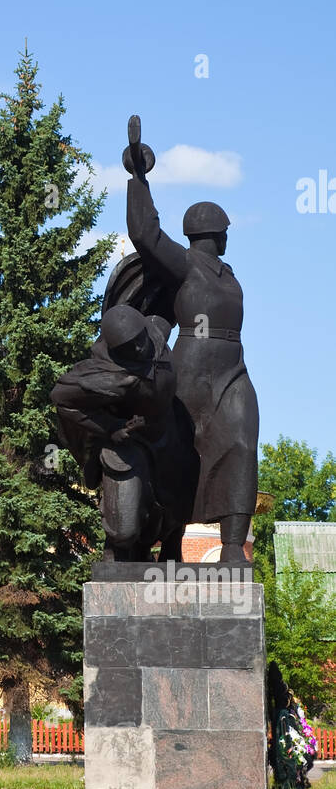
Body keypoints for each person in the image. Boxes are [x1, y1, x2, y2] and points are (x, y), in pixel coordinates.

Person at [125, 117, 259, 564]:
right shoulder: (185, 264)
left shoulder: (229, 272)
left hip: (231, 367)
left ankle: (232, 548)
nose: (226, 237)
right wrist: (138, 178)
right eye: (224, 231)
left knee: (241, 442)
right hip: (192, 366)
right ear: (214, 233)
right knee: (181, 454)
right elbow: (145, 233)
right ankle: (171, 543)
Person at [50, 305, 194, 560]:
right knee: (124, 531)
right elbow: (61, 397)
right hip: (130, 443)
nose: (139, 348)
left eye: (139, 340)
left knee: (179, 502)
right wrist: (111, 428)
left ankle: (168, 548)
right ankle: (117, 548)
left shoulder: (155, 330)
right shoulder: (109, 376)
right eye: (129, 347)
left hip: (169, 435)